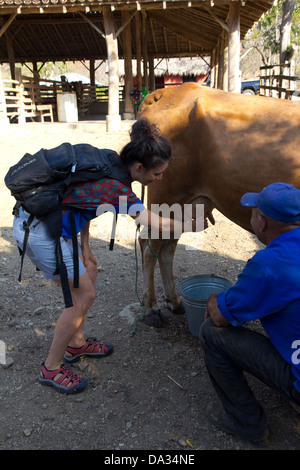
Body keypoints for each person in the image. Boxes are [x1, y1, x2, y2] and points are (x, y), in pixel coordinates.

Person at [13, 119, 200, 395]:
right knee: (83, 297)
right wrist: (188, 224)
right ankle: (51, 367)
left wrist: (85, 245)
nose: (159, 179)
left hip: (49, 227)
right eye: (157, 174)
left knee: (89, 276)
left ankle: (76, 345)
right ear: (139, 168)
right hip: (42, 233)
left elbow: (81, 202)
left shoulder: (110, 161)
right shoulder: (117, 190)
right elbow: (149, 220)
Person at [199, 182, 300, 446]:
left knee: (211, 332)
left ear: (262, 222)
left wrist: (213, 299)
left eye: (253, 212)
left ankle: (247, 423)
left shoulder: (271, 264)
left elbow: (220, 315)